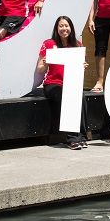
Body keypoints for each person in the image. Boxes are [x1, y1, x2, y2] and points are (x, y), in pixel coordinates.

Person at [38, 15, 87, 150]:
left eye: (66, 25)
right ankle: (72, 139)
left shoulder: (77, 45)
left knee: (82, 97)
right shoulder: (49, 44)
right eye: (61, 26)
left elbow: (79, 67)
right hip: (53, 84)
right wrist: (46, 62)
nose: (64, 28)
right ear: (56, 28)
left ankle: (81, 136)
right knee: (68, 98)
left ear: (71, 28)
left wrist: (82, 66)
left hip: (72, 83)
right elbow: (40, 69)